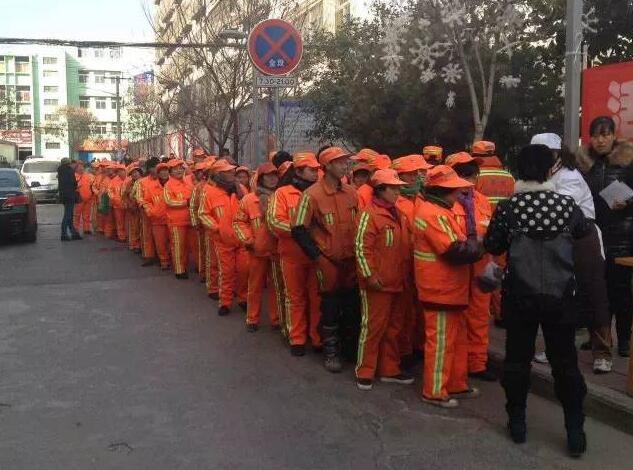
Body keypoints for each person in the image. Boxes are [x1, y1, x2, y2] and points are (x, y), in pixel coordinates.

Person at [484, 144, 588, 457]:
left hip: (520, 296)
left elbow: (492, 243)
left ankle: (517, 424)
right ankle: (574, 430)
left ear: (518, 172)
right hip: (560, 297)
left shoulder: (508, 208)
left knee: (517, 361)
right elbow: (583, 232)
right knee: (565, 363)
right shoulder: (567, 206)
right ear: (548, 170)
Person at [532, 132, 612, 374]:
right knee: (561, 296)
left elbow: (561, 210)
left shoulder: (570, 177)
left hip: (583, 239)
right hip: (558, 240)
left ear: (556, 154)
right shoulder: (545, 175)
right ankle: (557, 347)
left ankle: (603, 353)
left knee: (593, 294)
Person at [413, 165, 482, 409]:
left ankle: (455, 383)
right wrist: (481, 245)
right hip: (439, 290)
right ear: (441, 190)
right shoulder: (432, 214)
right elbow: (454, 250)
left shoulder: (441, 210)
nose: (458, 195)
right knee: (441, 342)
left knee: (455, 340)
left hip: (450, 289)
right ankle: (433, 391)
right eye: (453, 190)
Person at [292, 147, 359, 372]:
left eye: (345, 162)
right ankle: (330, 351)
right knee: (330, 305)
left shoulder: (352, 192)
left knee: (351, 304)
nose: (344, 166)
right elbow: (298, 228)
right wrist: (316, 256)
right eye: (339, 162)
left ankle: (350, 349)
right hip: (327, 260)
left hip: (351, 260)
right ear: (327, 166)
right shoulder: (311, 195)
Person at [577, 116, 633, 358]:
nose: (600, 140)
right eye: (596, 135)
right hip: (593, 235)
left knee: (620, 292)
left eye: (605, 134)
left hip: (623, 235)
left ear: (614, 135)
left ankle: (623, 340)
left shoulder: (628, 161)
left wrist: (629, 202)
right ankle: (598, 337)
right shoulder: (583, 164)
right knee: (594, 290)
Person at [354, 169, 414, 390]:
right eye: (394, 188)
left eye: (399, 188)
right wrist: (369, 276)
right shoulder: (368, 215)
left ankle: (389, 369)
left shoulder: (400, 214)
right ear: (380, 190)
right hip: (377, 284)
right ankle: (365, 370)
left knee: (394, 328)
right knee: (372, 327)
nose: (398, 191)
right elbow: (361, 248)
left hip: (398, 282)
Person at [445, 152, 496, 381]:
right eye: (464, 172)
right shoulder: (443, 202)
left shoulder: (482, 201)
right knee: (455, 319)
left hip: (480, 266)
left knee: (479, 317)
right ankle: (455, 365)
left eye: (472, 173)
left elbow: (493, 232)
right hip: (453, 269)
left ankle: (477, 364)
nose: (470, 177)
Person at [267, 154, 322, 355]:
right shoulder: (282, 194)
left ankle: (317, 338)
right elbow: (274, 221)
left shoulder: (319, 192)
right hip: (291, 255)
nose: (316, 173)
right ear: (298, 171)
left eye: (317, 169)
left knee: (317, 298)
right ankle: (297, 338)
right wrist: (300, 231)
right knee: (295, 297)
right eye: (311, 170)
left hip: (317, 255)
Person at [198, 159, 249, 316]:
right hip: (223, 241)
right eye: (227, 172)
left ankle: (243, 299)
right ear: (219, 174)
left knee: (243, 270)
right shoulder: (209, 192)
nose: (231, 174)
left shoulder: (241, 190)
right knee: (226, 272)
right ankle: (225, 302)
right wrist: (217, 228)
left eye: (231, 171)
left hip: (242, 240)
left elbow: (249, 209)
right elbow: (203, 214)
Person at [234, 162, 281, 332]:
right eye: (268, 176)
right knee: (255, 287)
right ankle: (252, 318)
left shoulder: (280, 197)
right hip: (257, 251)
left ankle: (276, 319)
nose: (272, 179)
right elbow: (239, 222)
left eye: (275, 175)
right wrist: (248, 240)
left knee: (276, 288)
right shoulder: (248, 199)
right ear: (260, 179)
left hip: (278, 251)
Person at [164, 159, 195, 279]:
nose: (179, 170)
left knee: (188, 246)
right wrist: (185, 202)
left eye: (181, 168)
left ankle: (186, 266)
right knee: (178, 246)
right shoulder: (168, 185)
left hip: (190, 220)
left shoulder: (188, 182)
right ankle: (179, 270)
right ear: (170, 172)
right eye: (175, 169)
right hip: (176, 221)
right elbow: (168, 201)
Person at [142, 162, 171, 270]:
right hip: (157, 220)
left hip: (172, 220)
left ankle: (173, 261)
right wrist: (151, 212)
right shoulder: (151, 187)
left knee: (173, 242)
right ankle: (164, 262)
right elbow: (146, 201)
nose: (164, 173)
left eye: (166, 170)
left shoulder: (174, 185)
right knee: (160, 243)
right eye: (161, 171)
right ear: (158, 173)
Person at [136, 157, 160, 266]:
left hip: (161, 214)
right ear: (149, 169)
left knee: (161, 236)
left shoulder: (165, 179)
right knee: (147, 234)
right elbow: (139, 197)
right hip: (147, 213)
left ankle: (162, 257)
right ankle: (149, 256)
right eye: (154, 167)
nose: (157, 169)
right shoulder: (142, 182)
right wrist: (147, 207)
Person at [57, 157, 82, 241]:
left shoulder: (60, 171)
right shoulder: (70, 171)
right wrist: (77, 185)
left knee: (70, 215)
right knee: (68, 215)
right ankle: (64, 234)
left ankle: (74, 233)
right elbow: (73, 183)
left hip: (63, 196)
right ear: (68, 163)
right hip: (70, 195)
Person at [73, 161, 95, 235]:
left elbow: (93, 185)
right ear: (76, 168)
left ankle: (87, 229)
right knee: (77, 215)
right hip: (79, 199)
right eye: (79, 167)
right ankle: (76, 229)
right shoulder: (73, 176)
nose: (81, 168)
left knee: (87, 215)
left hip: (88, 199)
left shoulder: (89, 176)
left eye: (82, 167)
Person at [108, 163, 127, 242]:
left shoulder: (129, 179)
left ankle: (128, 236)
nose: (121, 172)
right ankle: (121, 236)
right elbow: (109, 191)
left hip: (128, 205)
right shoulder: (113, 181)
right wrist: (115, 199)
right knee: (120, 222)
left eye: (122, 170)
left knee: (127, 221)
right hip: (117, 205)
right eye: (119, 171)